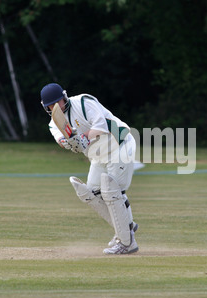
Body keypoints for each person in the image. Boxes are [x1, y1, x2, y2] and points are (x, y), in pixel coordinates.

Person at [40, 83, 139, 254]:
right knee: (92, 193)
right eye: (51, 105)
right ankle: (126, 227)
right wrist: (69, 142)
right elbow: (62, 140)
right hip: (98, 155)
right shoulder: (53, 124)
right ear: (45, 107)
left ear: (64, 97)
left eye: (59, 102)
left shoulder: (84, 102)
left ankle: (127, 242)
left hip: (119, 144)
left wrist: (84, 137)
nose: (57, 107)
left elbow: (100, 124)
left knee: (113, 192)